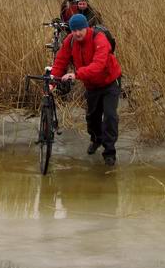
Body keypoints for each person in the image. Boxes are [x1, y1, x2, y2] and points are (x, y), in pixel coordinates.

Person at [50, 13, 122, 166]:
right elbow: (60, 61)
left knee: (110, 116)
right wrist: (52, 81)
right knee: (92, 118)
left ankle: (109, 152)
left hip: (110, 82)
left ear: (87, 28)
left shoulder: (99, 38)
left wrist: (76, 75)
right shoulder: (70, 41)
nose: (77, 33)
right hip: (91, 84)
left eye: (80, 30)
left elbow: (99, 65)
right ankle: (96, 140)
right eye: (74, 30)